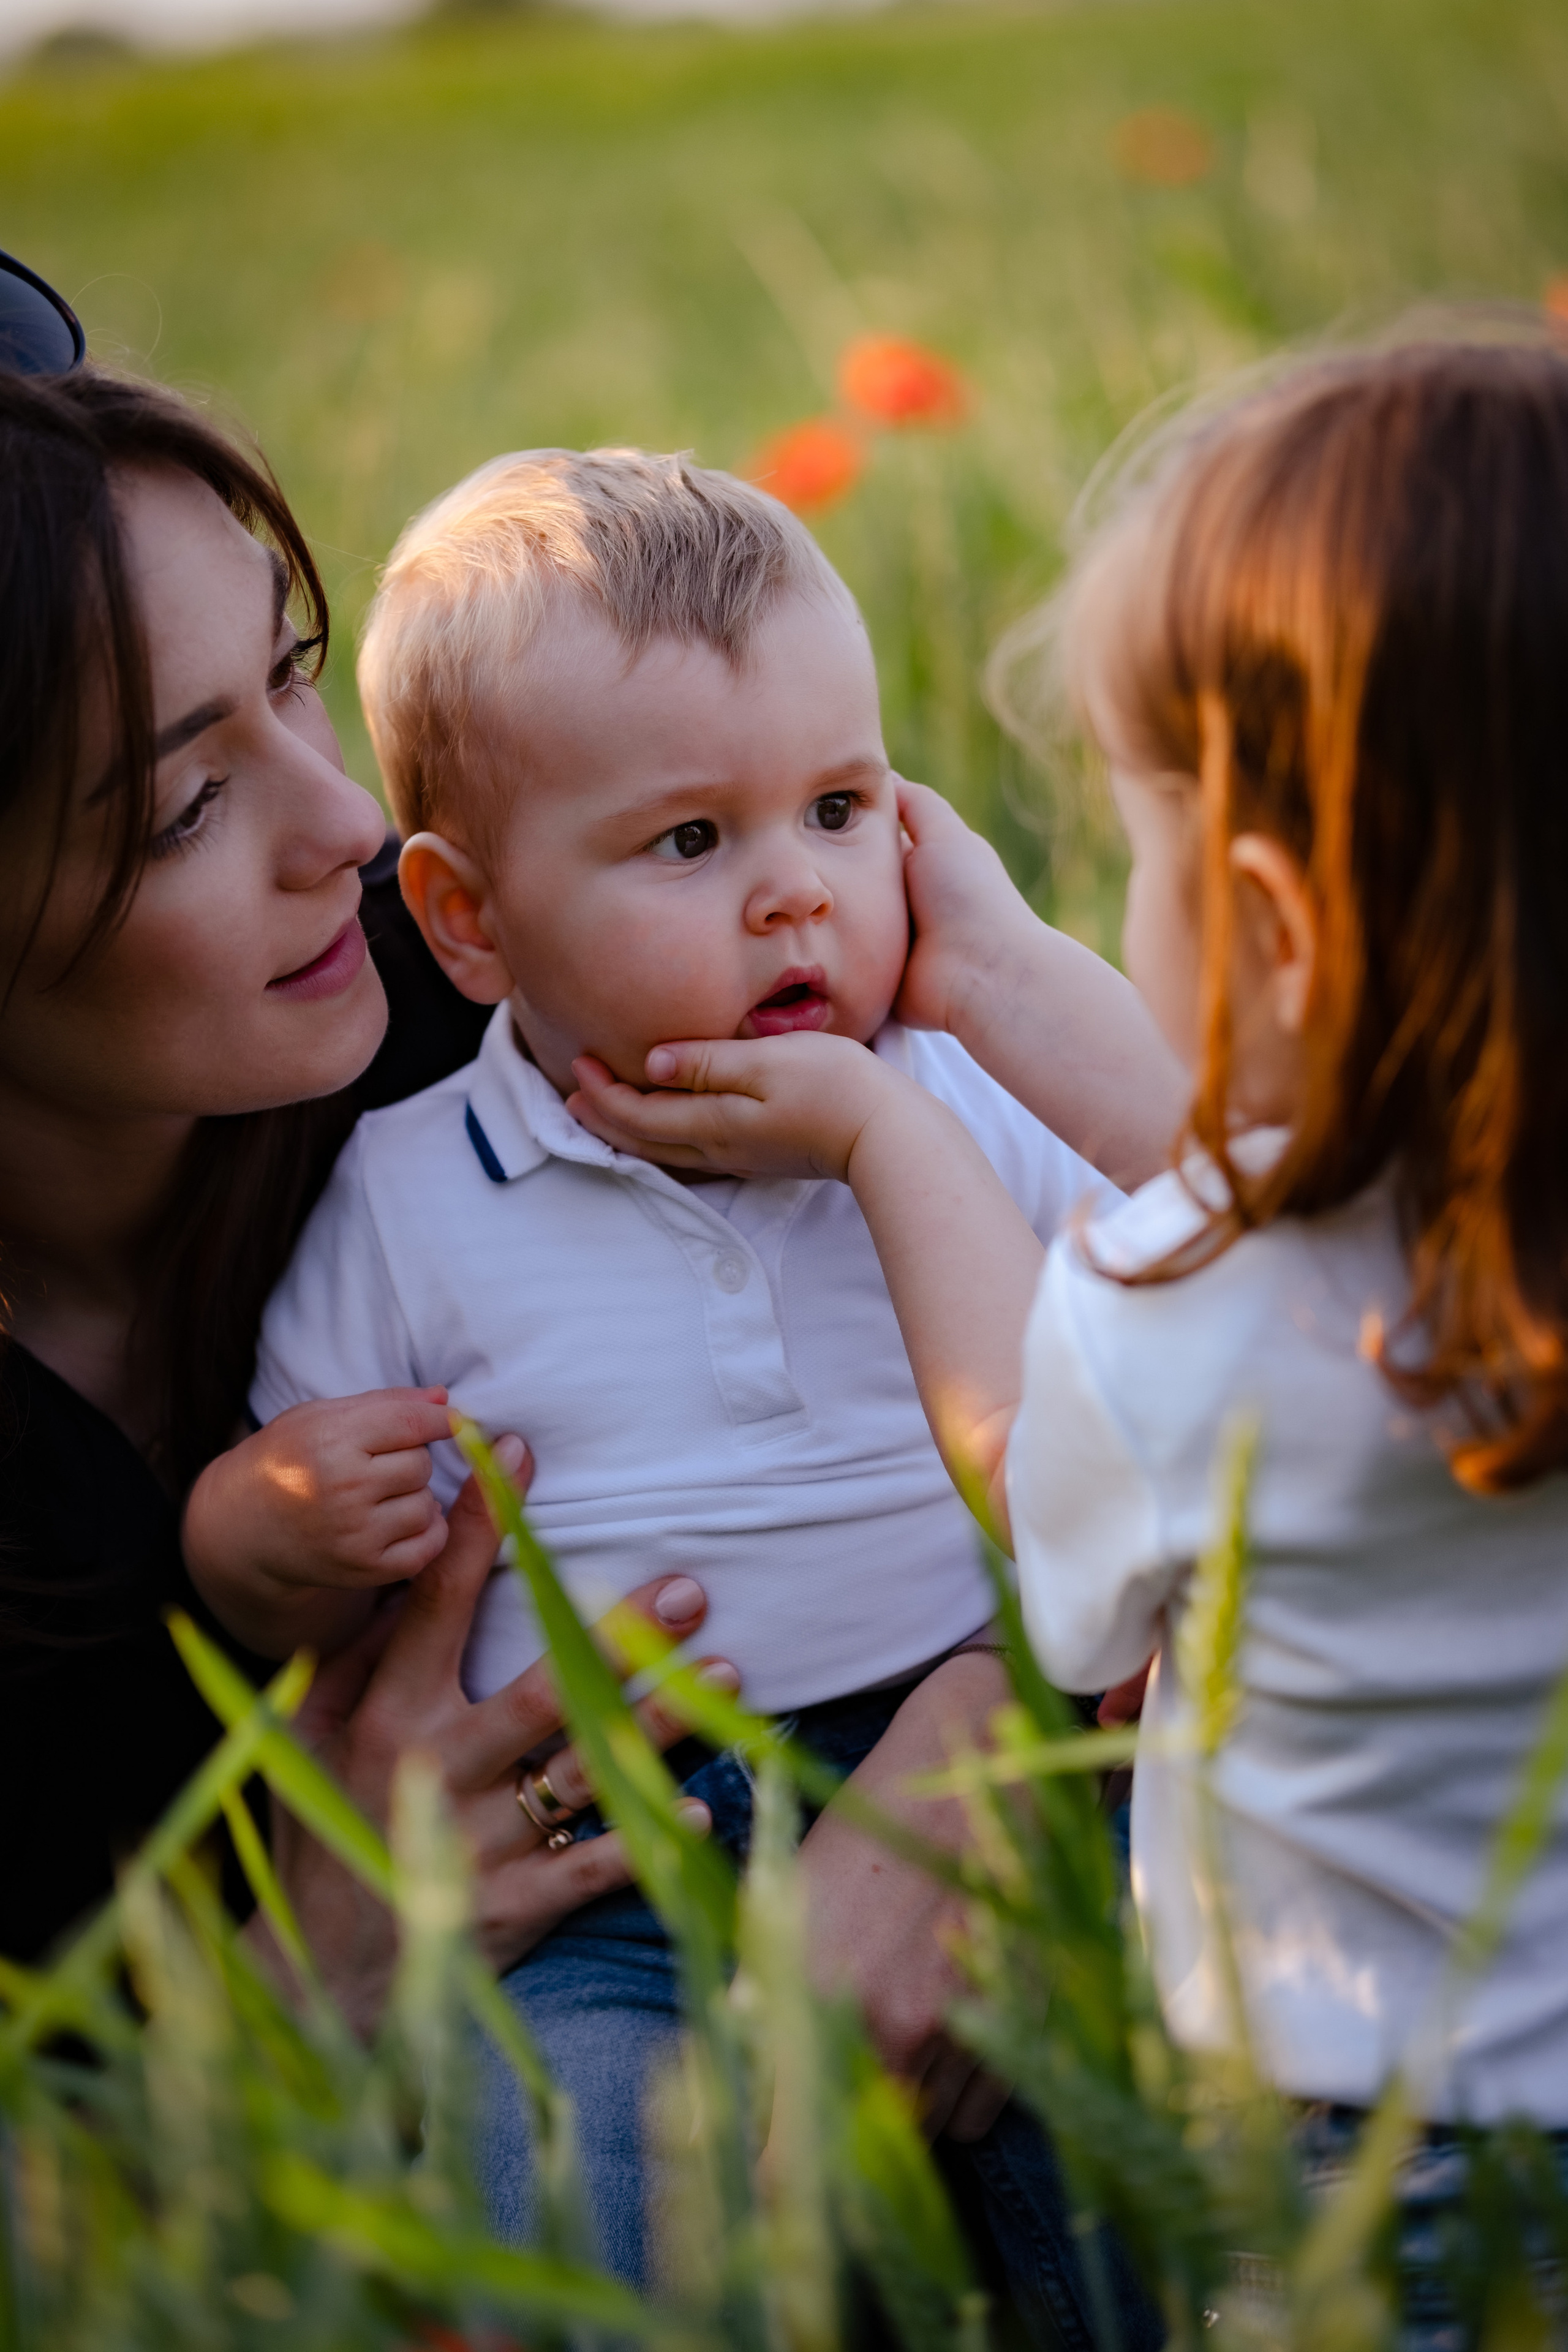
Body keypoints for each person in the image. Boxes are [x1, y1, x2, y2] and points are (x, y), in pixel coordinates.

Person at [571, 336, 1568, 2336]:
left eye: (1144, 848)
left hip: (1365, 2152)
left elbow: (1048, 1521)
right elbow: (1277, 1161)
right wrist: (1010, 977)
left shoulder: (1184, 1300)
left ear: (1264, 917)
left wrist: (891, 1136)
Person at [181, 446, 1181, 2316]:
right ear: (469, 923)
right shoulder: (413, 1190)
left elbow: (1208, 1303)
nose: (797, 894)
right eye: (693, 843)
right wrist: (260, 1533)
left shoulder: (967, 1096)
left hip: (1000, 1753)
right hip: (610, 1864)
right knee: (570, 2170)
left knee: (1114, 2181)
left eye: (839, 808)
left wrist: (1000, 1003)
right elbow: (286, 1545)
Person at [0, 355, 738, 2021]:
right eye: (186, 807)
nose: (346, 820)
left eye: (293, 672)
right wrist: (305, 1983)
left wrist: (967, 1720)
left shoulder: (483, 994)